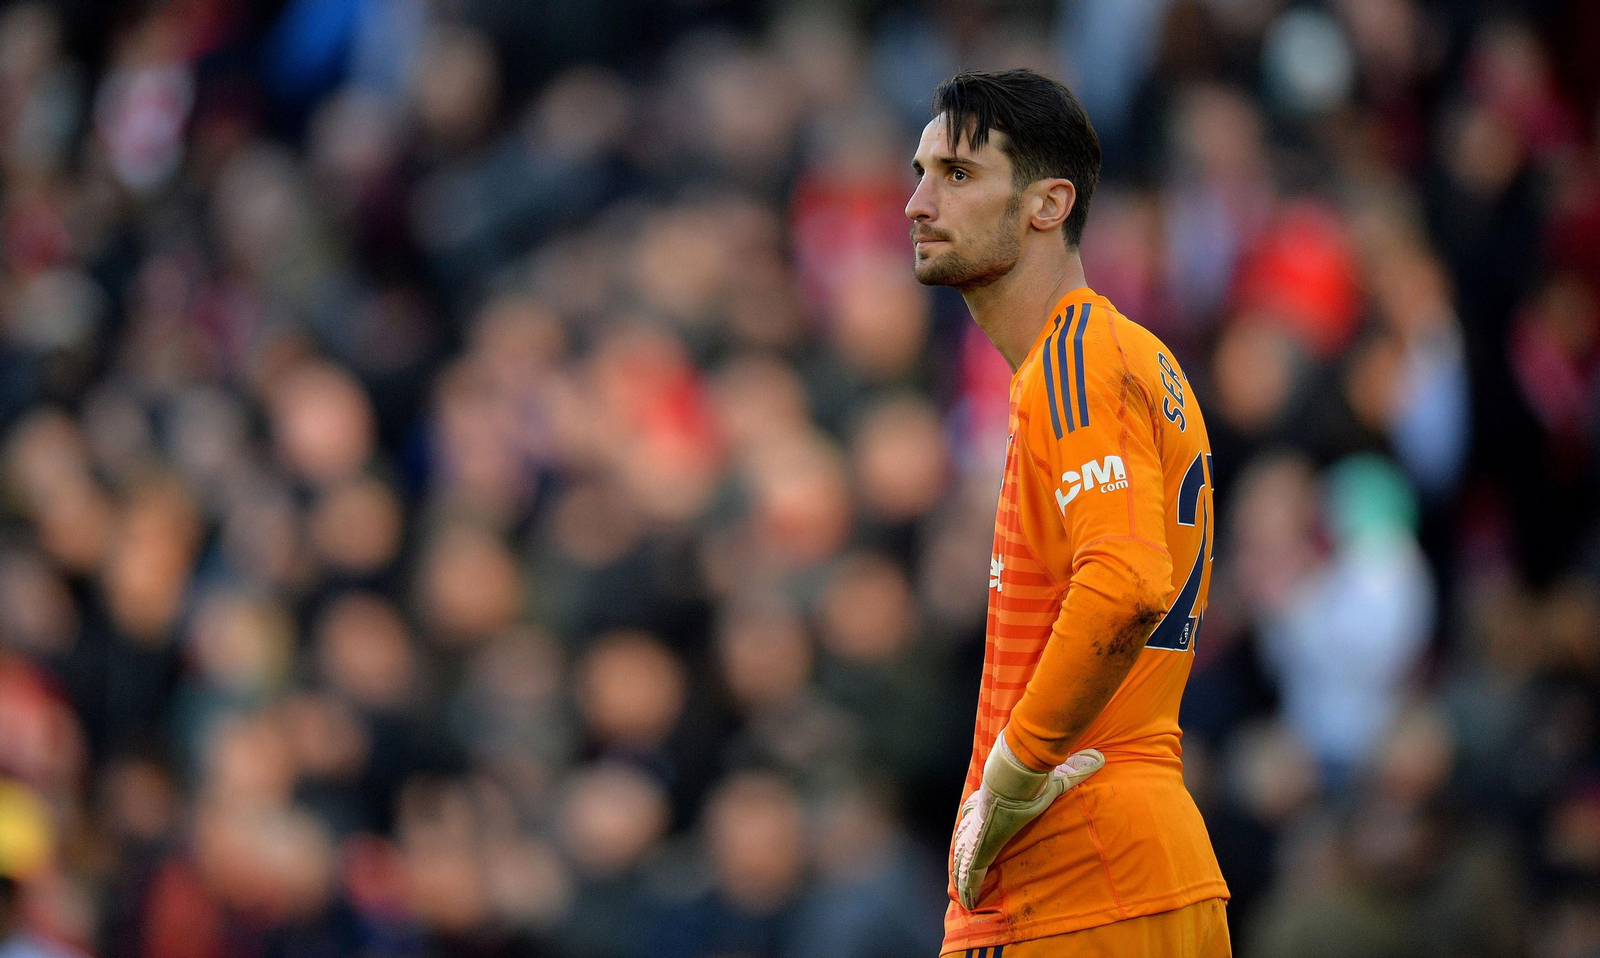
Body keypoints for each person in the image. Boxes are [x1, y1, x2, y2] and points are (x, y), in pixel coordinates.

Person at [907, 70, 1229, 957]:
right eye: (920, 173)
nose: (917, 203)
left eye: (958, 175)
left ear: (1049, 204)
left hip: (1071, 880)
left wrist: (1010, 778)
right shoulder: (1135, 355)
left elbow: (1126, 584)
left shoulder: (1072, 356)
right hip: (1151, 861)